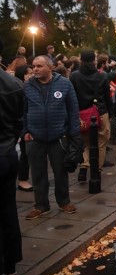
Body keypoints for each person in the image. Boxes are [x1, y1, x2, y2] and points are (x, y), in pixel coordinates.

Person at [23, 56, 81, 220]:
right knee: (37, 173)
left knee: (60, 171)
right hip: (35, 136)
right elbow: (22, 111)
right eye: (33, 66)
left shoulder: (64, 84)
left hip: (58, 135)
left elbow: (73, 110)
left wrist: (73, 134)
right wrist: (24, 132)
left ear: (50, 67)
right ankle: (41, 205)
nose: (35, 69)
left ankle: (64, 201)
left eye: (39, 66)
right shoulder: (28, 86)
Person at [0, 40, 25, 275]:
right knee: (8, 212)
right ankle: (10, 269)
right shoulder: (14, 84)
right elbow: (19, 119)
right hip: (8, 152)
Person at [69, 50, 111, 183]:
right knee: (102, 142)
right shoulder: (102, 75)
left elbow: (72, 96)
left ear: (81, 59)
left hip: (81, 114)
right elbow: (106, 96)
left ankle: (84, 166)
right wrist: (110, 112)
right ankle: (96, 170)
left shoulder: (74, 76)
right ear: (95, 60)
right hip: (100, 112)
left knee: (85, 143)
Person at [14, 65, 34, 191]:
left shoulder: (27, 86)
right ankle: (22, 180)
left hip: (24, 123)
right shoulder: (19, 87)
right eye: (29, 72)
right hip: (20, 124)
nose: (32, 74)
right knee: (24, 153)